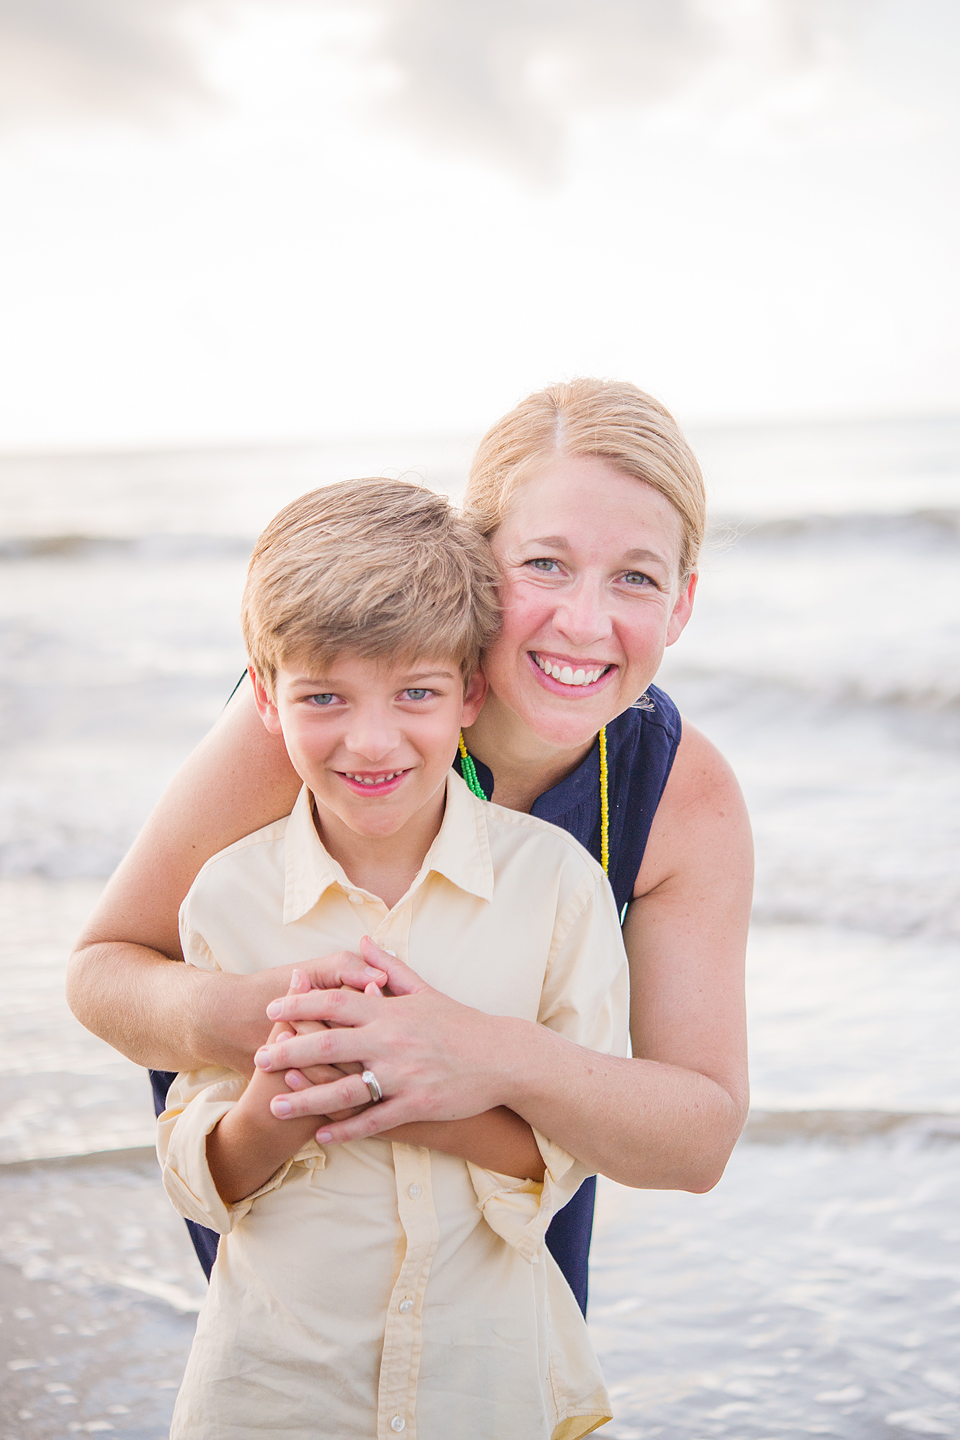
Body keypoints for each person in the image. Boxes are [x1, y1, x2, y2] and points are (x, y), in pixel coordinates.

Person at [67, 377, 753, 1318]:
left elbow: (700, 1138)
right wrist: (250, 1016)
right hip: (286, 1272)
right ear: (473, 562)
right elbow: (105, 970)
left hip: (500, 1286)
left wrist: (490, 1054)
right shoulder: (331, 725)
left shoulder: (683, 795)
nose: (586, 622)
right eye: (545, 564)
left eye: (635, 576)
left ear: (681, 605)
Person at [159, 477, 628, 1438]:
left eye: (415, 692)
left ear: (469, 693)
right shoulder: (227, 897)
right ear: (265, 696)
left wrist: (415, 1082)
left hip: (490, 1387)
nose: (370, 740)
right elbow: (203, 1172)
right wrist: (281, 1102)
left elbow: (576, 1148)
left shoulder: (556, 889)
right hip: (275, 1391)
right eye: (323, 696)